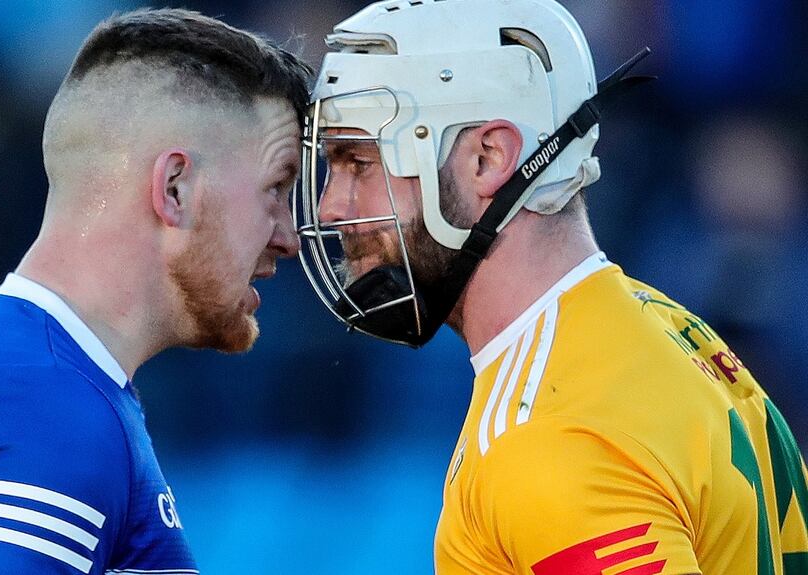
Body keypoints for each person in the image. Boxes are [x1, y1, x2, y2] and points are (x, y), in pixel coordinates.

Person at [294, 0, 808, 573]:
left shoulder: (549, 435)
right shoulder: (673, 330)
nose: (330, 205)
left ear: (487, 159)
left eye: (359, 162)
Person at [0, 9, 310, 575]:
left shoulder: (32, 376)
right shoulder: (41, 404)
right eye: (276, 187)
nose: (289, 237)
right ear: (175, 188)